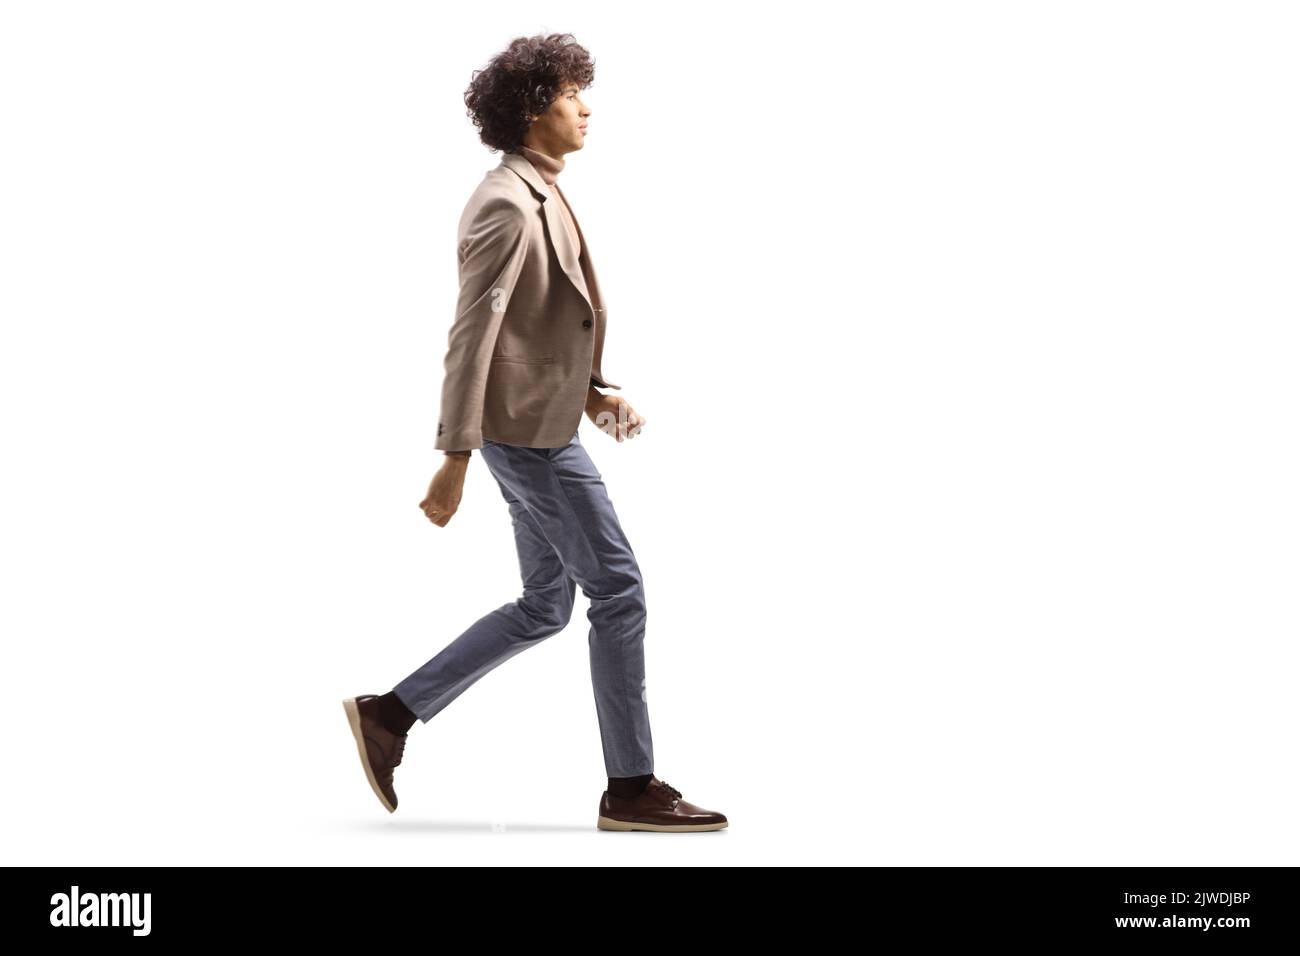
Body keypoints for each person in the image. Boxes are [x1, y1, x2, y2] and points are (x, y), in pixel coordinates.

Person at [343, 33, 726, 832]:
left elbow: (527, 326)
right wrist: (452, 456)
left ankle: (390, 715)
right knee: (618, 591)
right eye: (569, 94)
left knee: (546, 604)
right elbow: (471, 337)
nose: (586, 107)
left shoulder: (540, 187)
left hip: (540, 425)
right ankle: (631, 787)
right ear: (529, 110)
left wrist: (590, 393)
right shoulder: (506, 203)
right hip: (529, 443)